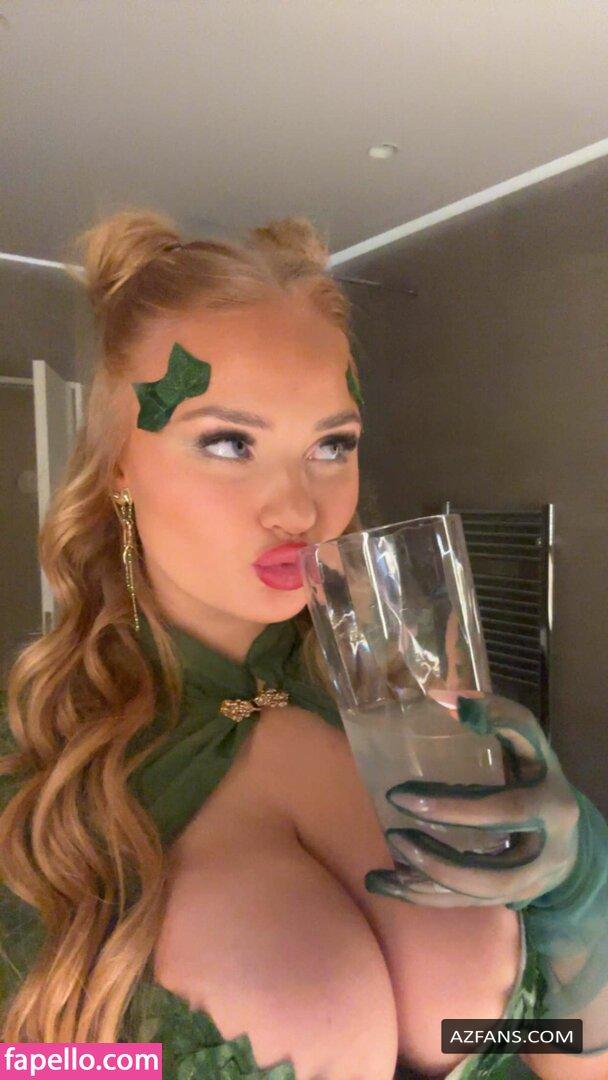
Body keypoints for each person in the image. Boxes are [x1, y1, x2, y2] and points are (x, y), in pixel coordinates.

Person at [0, 209, 606, 1080]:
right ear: (118, 465)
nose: (297, 507)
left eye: (331, 444)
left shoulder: (409, 715)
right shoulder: (39, 782)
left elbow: (549, 1049)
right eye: (229, 442)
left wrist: (581, 890)